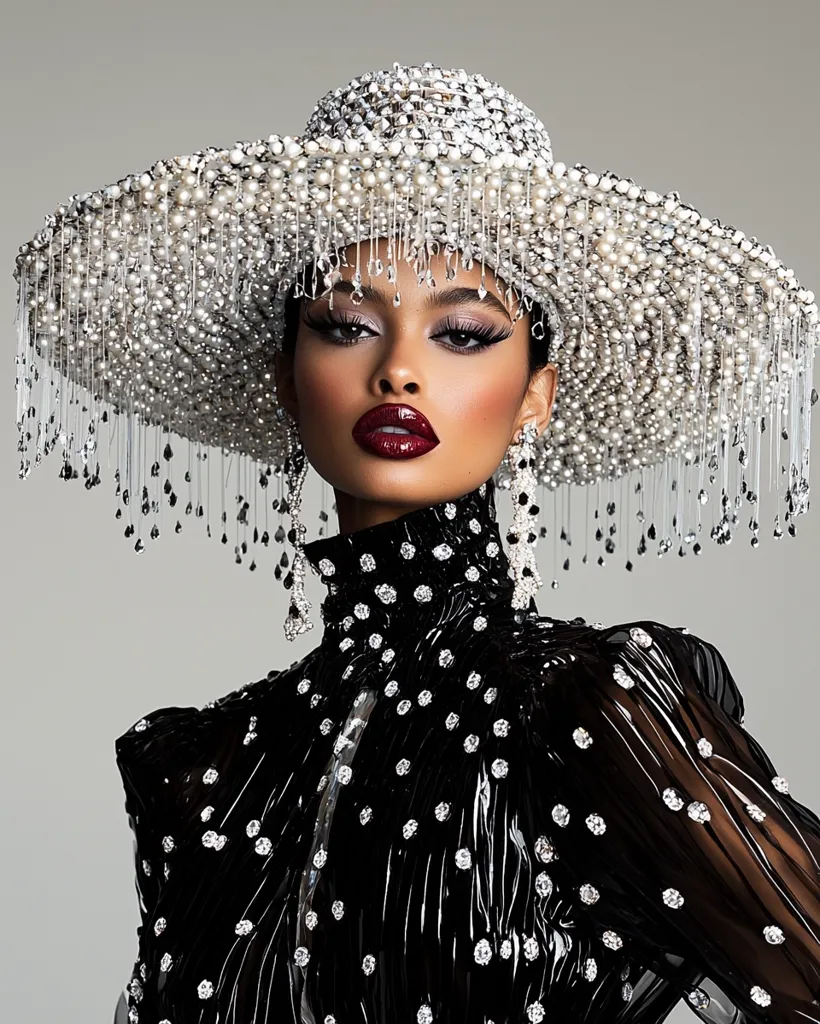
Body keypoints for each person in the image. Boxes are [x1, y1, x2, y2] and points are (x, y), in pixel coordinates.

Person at [14, 64, 820, 1024]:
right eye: (345, 325)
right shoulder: (199, 765)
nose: (398, 370)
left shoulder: (584, 705)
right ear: (287, 379)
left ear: (534, 395)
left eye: (464, 334)